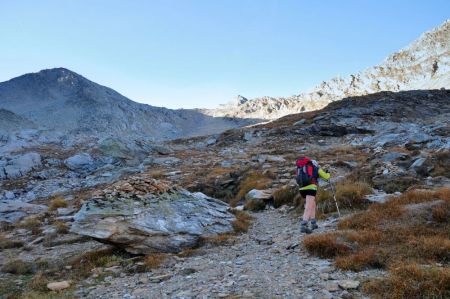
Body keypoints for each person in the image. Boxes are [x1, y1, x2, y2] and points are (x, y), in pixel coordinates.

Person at [296, 157, 330, 234]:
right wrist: (328, 173)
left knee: (312, 204)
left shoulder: (301, 168)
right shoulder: (316, 167)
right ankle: (304, 224)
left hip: (301, 188)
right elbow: (326, 177)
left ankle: (313, 223)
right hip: (311, 187)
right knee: (308, 205)